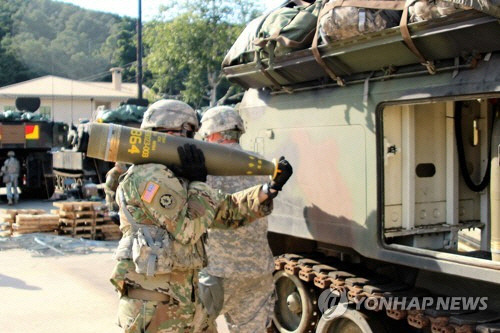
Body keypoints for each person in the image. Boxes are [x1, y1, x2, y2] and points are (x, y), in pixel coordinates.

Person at [110, 99, 293, 333]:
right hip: (156, 306)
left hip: (184, 300)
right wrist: (198, 182)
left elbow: (222, 209)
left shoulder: (174, 174)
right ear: (170, 134)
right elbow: (188, 230)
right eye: (188, 133)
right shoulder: (149, 176)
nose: (194, 142)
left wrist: (269, 190)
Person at [198, 106, 275, 333]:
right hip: (258, 270)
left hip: (218, 271)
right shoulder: (260, 164)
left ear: (212, 134)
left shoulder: (205, 168)